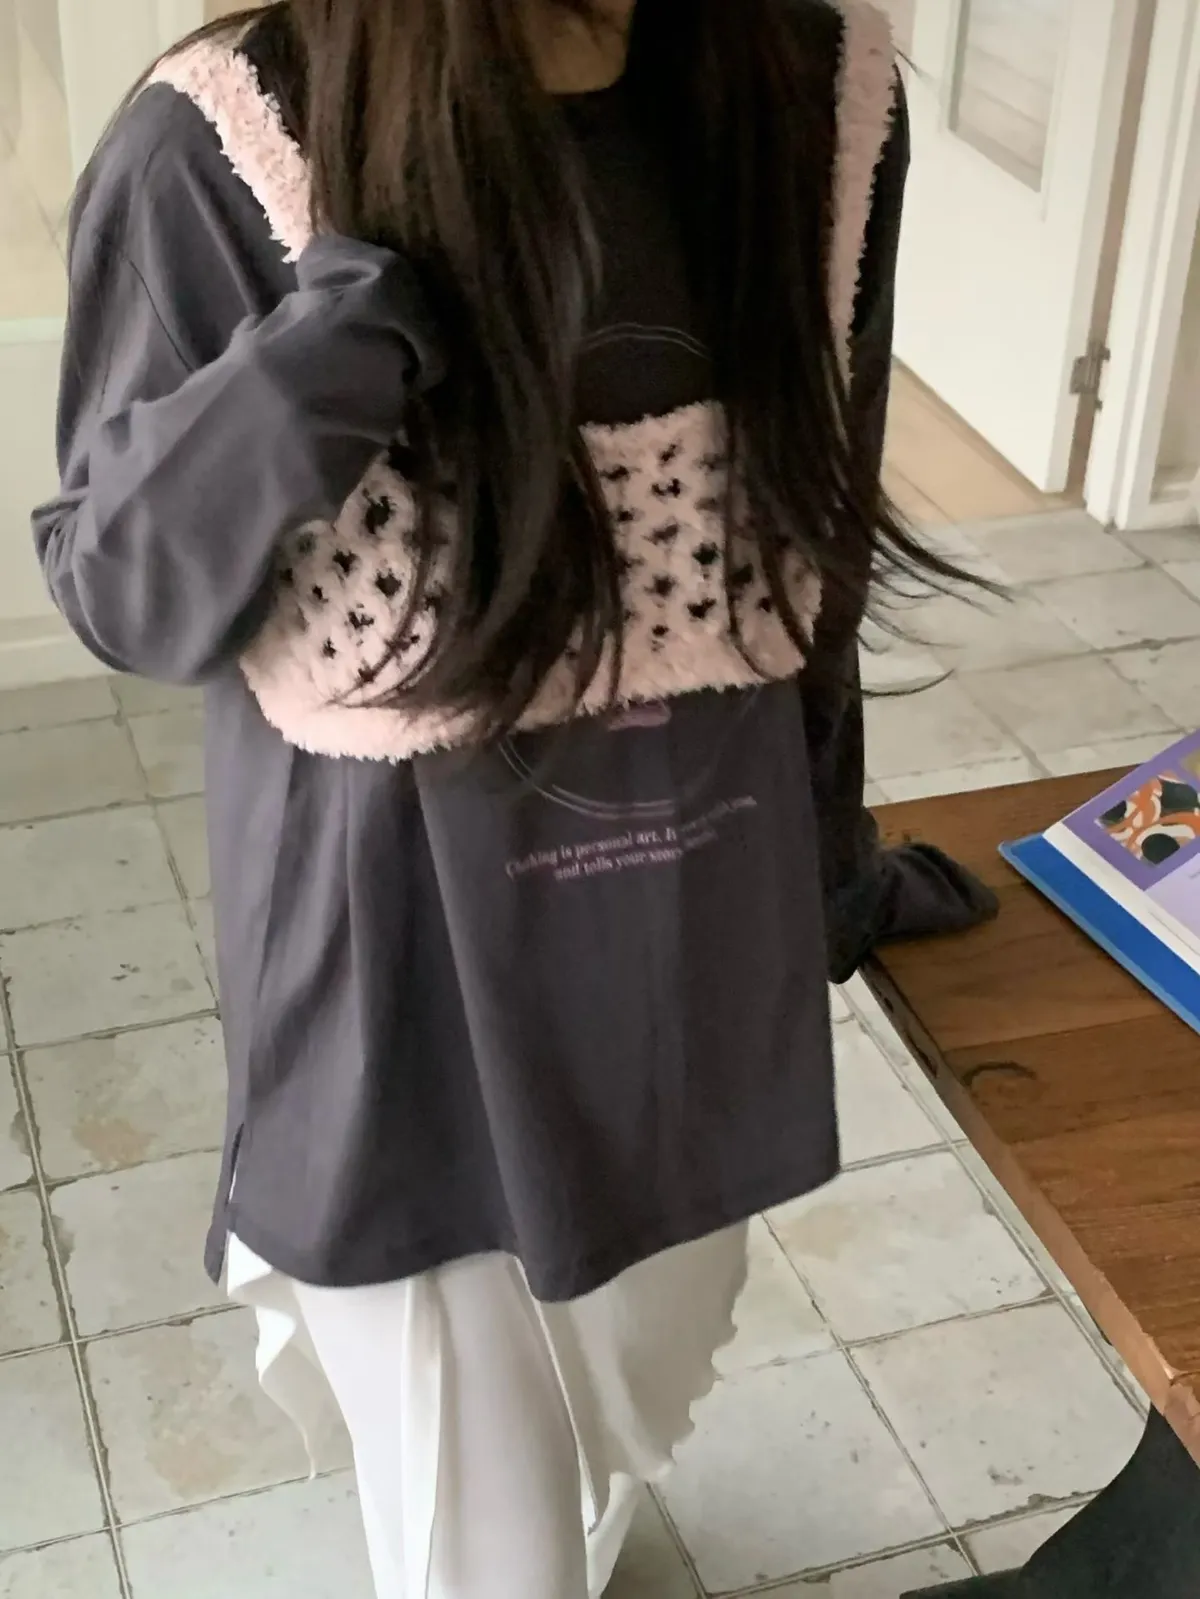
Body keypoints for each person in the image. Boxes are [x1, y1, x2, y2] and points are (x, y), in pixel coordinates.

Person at [32, 2, 993, 1593]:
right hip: (403, 1012)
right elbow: (125, 587)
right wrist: (326, 353)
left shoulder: (815, 95)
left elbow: (811, 562)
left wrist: (828, 867)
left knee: (626, 1394)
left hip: (686, 953)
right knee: (487, 1538)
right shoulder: (225, 146)